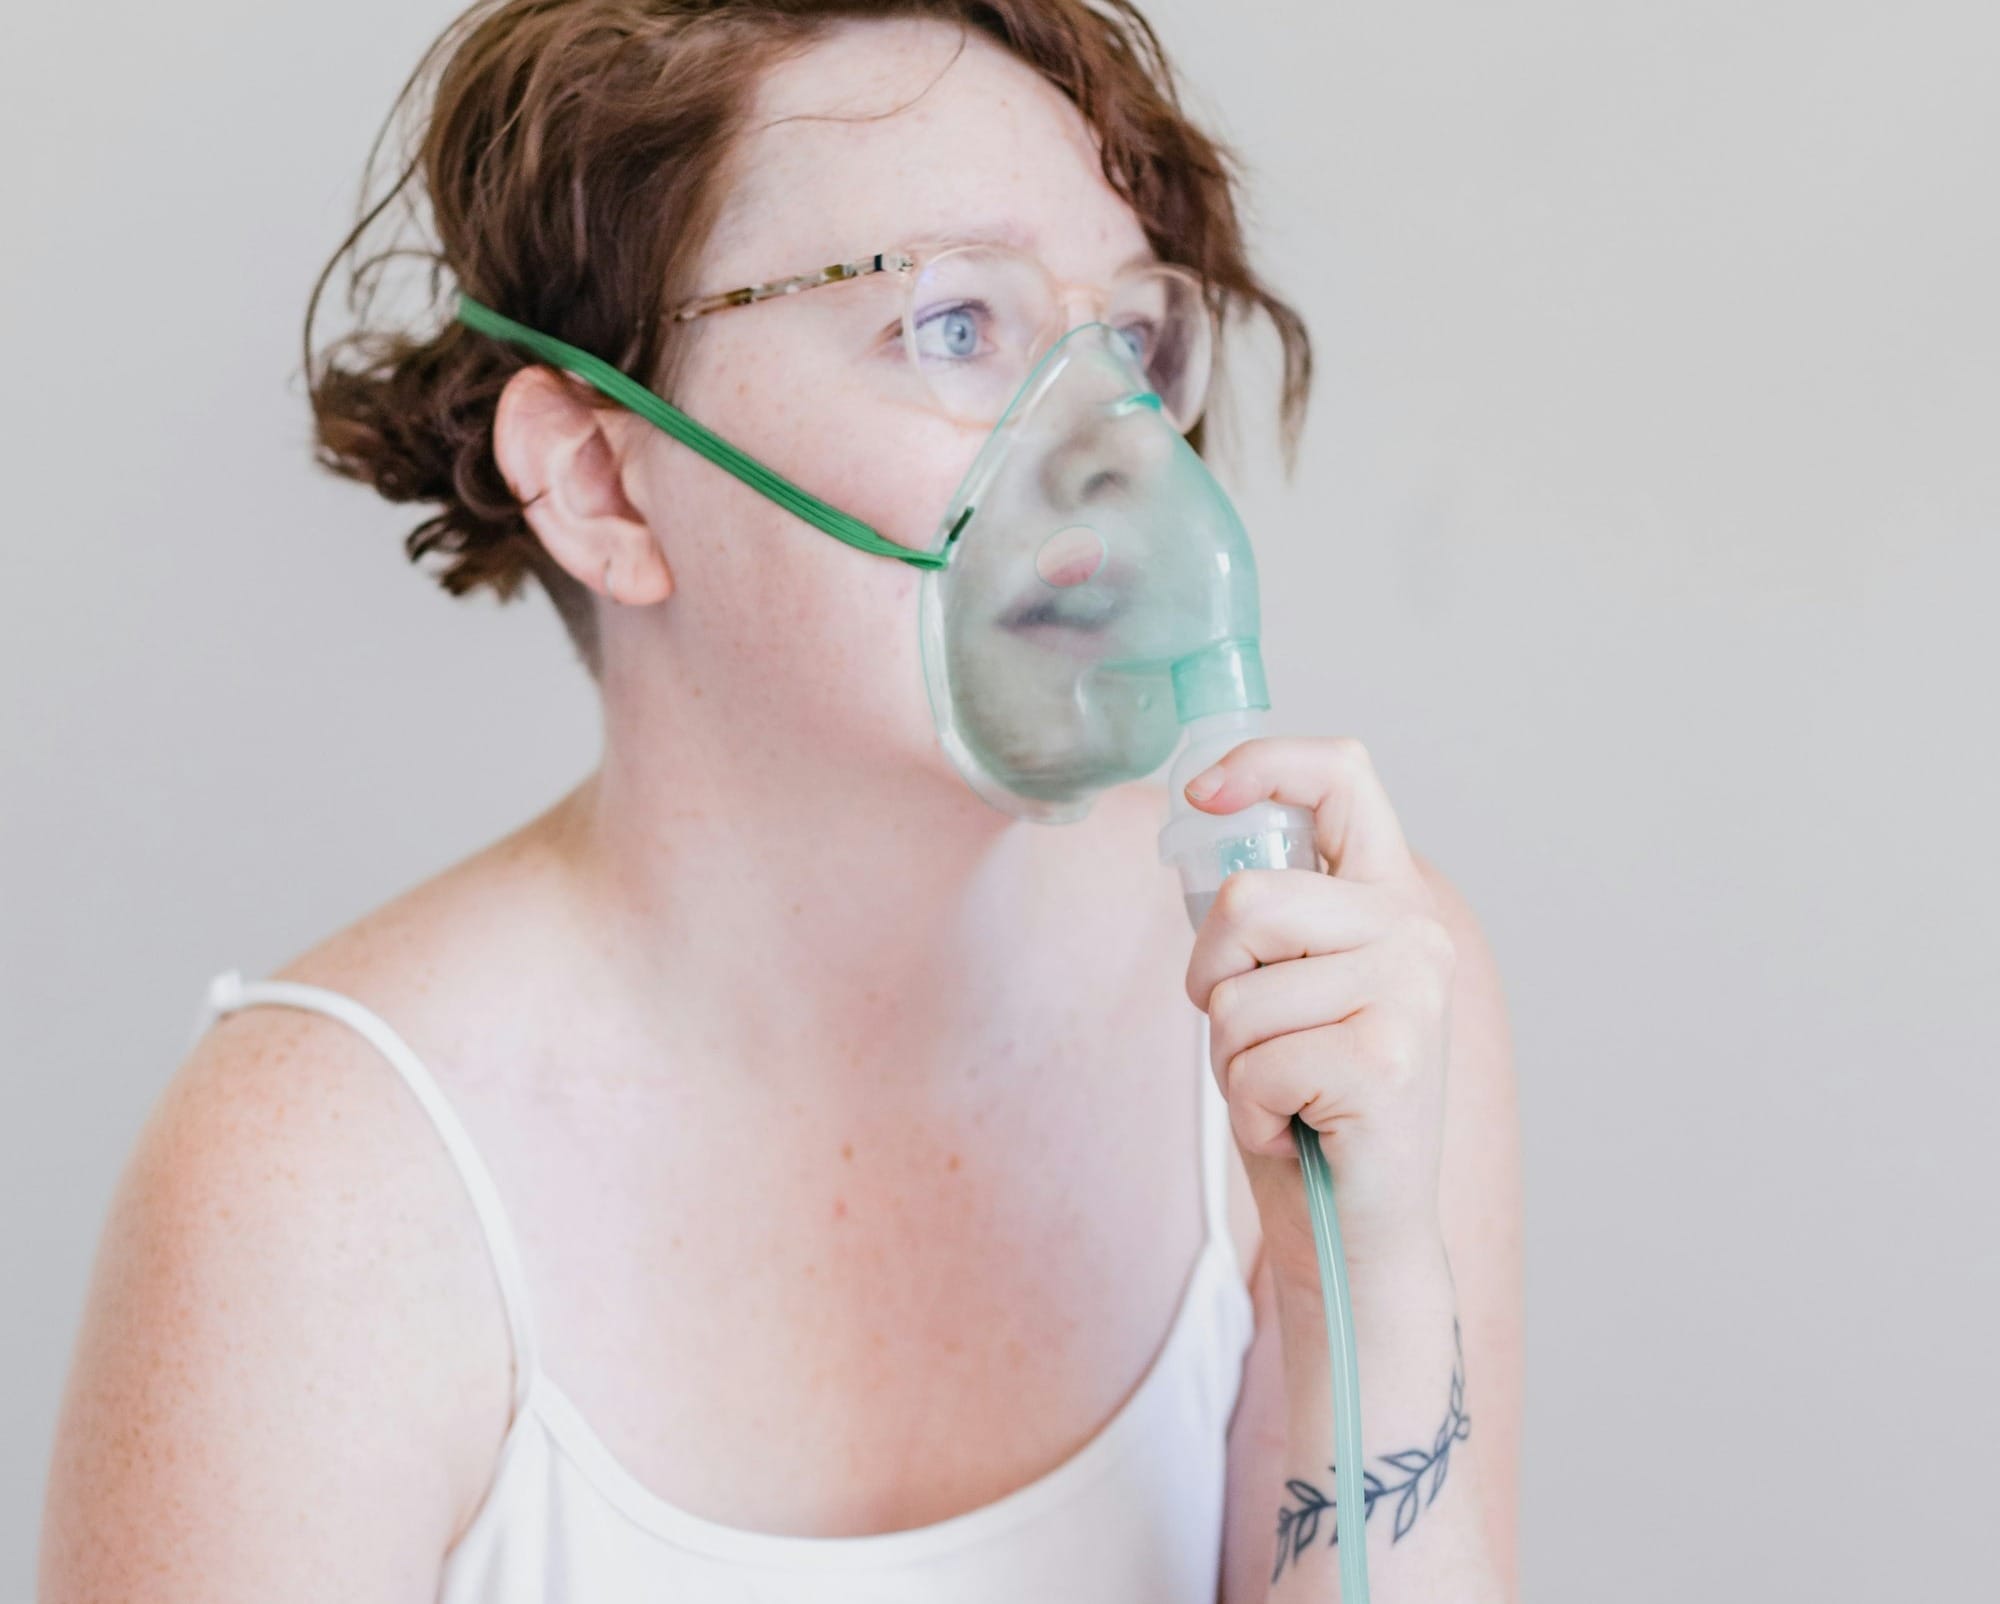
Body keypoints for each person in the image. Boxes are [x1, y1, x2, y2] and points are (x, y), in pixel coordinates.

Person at [39, 3, 1522, 1600]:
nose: (1117, 444)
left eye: (1132, 340)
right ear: (605, 484)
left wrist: (1355, 1275)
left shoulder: (1334, 1009)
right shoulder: (318, 1199)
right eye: (955, 322)